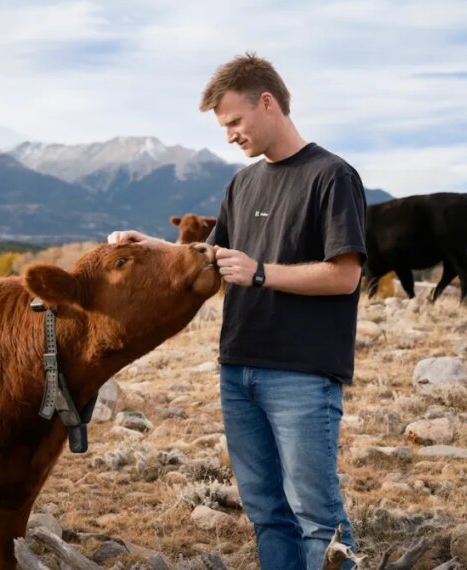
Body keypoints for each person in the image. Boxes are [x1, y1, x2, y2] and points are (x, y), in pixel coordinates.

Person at [108, 53, 366, 570]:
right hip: (238, 369)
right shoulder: (242, 183)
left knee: (317, 516)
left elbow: (345, 275)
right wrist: (151, 245)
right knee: (268, 513)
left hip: (302, 376)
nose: (229, 136)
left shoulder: (332, 176)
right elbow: (212, 258)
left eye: (234, 122)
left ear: (266, 102)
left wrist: (262, 272)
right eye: (224, 126)